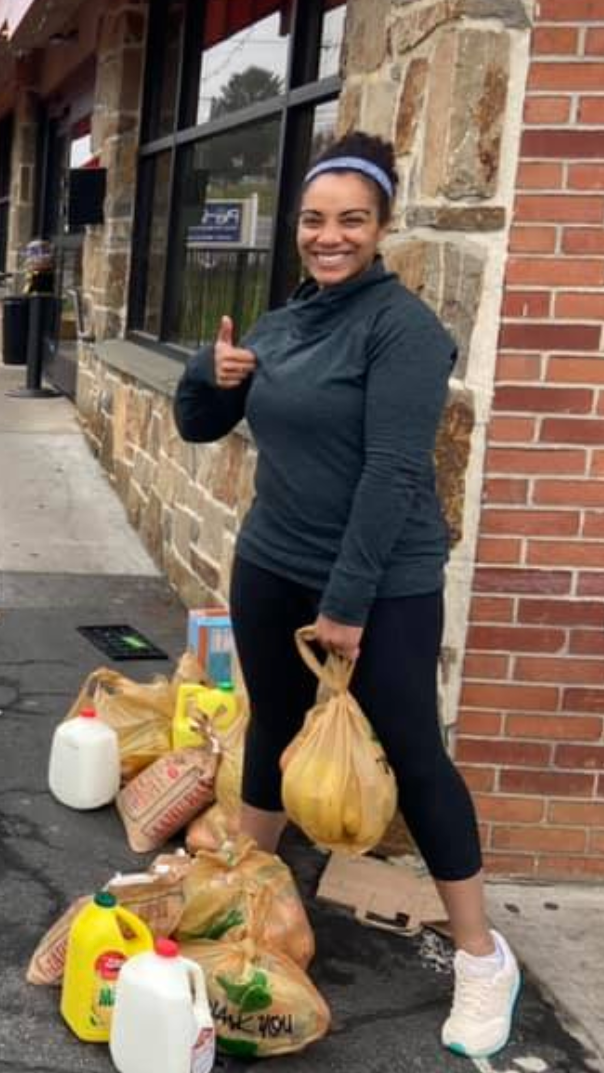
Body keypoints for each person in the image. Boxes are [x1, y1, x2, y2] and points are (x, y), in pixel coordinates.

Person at [173, 132, 519, 1059]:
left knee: (412, 753)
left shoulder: (402, 329)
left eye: (351, 221)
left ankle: (483, 957)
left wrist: (350, 604)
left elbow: (396, 471)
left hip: (382, 582)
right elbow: (203, 425)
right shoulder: (282, 324)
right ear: (300, 227)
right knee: (274, 731)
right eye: (317, 221)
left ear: (381, 226)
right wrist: (209, 375)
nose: (331, 238)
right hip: (272, 561)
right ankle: (249, 894)